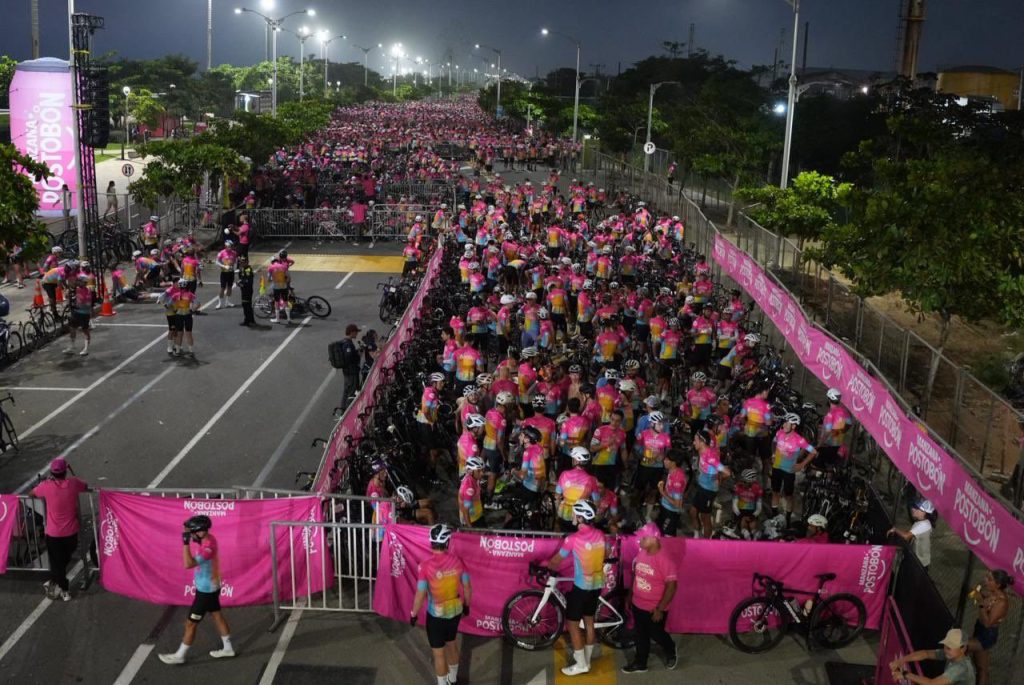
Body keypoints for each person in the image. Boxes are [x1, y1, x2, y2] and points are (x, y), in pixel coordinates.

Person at [159, 515, 235, 664]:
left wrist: (185, 544)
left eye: (193, 532)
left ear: (201, 531)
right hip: (212, 587)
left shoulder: (208, 547)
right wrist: (189, 531)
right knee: (216, 615)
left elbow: (188, 564)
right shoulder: (208, 537)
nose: (190, 535)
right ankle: (228, 648)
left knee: (190, 624)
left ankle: (180, 656)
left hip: (206, 591)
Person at [546, 500, 606, 676]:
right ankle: (586, 661)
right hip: (596, 586)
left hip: (581, 588)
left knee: (572, 624)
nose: (571, 516)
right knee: (589, 622)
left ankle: (580, 665)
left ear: (581, 517)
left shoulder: (572, 539)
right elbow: (607, 553)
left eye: (574, 513)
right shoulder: (600, 535)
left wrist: (546, 567)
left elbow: (556, 561)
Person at [410, 524, 471, 685]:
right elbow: (467, 586)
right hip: (455, 610)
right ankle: (453, 679)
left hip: (436, 615)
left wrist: (413, 614)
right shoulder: (458, 562)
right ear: (447, 542)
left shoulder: (425, 566)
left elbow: (421, 593)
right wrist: (467, 605)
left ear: (431, 542)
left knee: (438, 654)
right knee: (451, 643)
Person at [622, 522, 678, 673]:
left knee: (657, 634)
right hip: (638, 603)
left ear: (653, 539)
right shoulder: (642, 553)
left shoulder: (665, 559)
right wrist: (629, 595)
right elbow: (636, 575)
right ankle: (640, 663)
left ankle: (670, 649)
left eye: (643, 538)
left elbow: (672, 586)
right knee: (640, 634)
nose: (639, 541)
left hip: (654, 607)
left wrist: (660, 609)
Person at [31, 457, 88, 601]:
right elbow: (85, 485)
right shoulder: (74, 484)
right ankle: (60, 585)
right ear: (65, 472)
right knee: (62, 561)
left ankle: (63, 588)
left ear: (52, 472)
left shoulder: (46, 486)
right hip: (71, 534)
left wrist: (47, 483)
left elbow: (32, 494)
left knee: (58, 563)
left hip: (54, 534)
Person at [967, 569, 1013, 685]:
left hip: (987, 635)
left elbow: (988, 623)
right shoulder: (992, 593)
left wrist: (981, 604)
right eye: (986, 578)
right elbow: (976, 594)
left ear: (997, 585)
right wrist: (979, 589)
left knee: (959, 647)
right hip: (979, 629)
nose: (986, 581)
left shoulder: (1002, 602)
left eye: (989, 579)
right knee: (982, 668)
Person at [890, 628, 976, 685]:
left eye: (950, 647)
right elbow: (926, 653)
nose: (946, 649)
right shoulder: (952, 654)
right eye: (945, 645)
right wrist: (901, 660)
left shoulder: (960, 668)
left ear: (963, 648)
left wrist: (905, 674)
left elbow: (931, 683)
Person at [887, 499, 935, 568]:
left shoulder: (923, 525)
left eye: (917, 508)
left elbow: (906, 536)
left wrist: (895, 530)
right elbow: (909, 533)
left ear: (924, 512)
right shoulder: (923, 522)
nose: (913, 509)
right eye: (914, 507)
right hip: (918, 560)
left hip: (920, 563)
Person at [63, 272, 93, 356]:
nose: (78, 282)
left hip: (84, 313)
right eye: (78, 281)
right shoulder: (76, 289)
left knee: (85, 330)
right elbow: (69, 296)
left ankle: (86, 348)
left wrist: (78, 301)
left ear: (84, 282)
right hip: (76, 313)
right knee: (72, 329)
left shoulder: (87, 291)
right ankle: (72, 346)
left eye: (79, 281)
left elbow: (87, 304)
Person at [337, 324, 362, 410]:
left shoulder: (344, 342)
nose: (356, 334)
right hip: (351, 372)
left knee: (346, 390)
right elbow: (349, 358)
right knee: (351, 392)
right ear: (351, 332)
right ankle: (347, 411)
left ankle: (342, 408)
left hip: (347, 372)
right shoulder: (348, 344)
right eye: (356, 332)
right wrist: (358, 355)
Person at [458, 457, 485, 527]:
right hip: (472, 519)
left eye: (482, 470)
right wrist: (470, 528)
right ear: (471, 471)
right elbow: (465, 510)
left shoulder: (474, 477)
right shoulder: (469, 489)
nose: (482, 473)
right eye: (479, 471)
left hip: (478, 514)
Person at [214, 241, 238, 309]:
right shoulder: (221, 253)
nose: (230, 248)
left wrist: (235, 269)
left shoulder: (234, 253)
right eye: (229, 247)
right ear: (226, 246)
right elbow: (216, 262)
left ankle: (227, 302)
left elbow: (235, 261)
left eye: (231, 246)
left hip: (231, 272)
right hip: (224, 273)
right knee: (222, 288)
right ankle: (220, 303)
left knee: (230, 287)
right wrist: (223, 266)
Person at [236, 256, 256, 326]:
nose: (241, 263)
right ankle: (251, 320)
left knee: (246, 305)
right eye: (241, 262)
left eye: (243, 262)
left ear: (247, 262)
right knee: (247, 305)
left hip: (247, 290)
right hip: (245, 290)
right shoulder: (243, 269)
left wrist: (241, 284)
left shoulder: (247, 270)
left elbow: (248, 281)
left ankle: (247, 320)